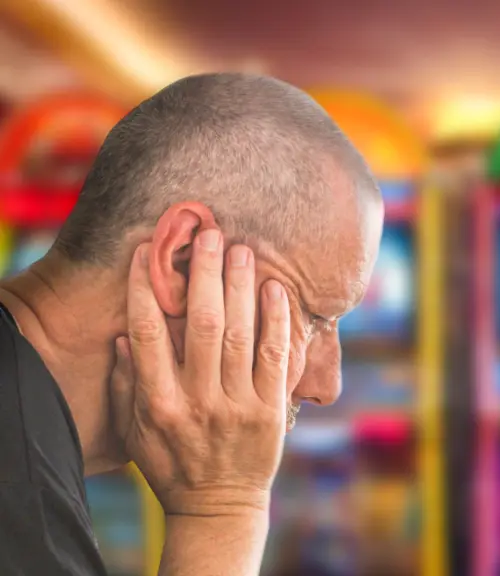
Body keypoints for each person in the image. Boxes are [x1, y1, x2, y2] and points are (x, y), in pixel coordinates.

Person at [0, 73, 384, 575]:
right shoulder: (21, 512)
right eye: (316, 318)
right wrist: (222, 510)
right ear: (182, 258)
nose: (325, 386)